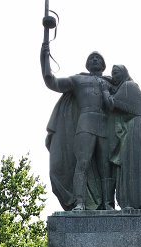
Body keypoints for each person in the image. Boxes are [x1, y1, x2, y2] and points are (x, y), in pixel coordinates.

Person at [41, 43, 113, 211]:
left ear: (103, 64)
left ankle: (108, 204)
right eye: (91, 58)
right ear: (87, 64)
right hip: (85, 123)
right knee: (82, 163)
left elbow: (128, 94)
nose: (94, 59)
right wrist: (44, 56)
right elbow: (51, 81)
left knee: (106, 167)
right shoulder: (78, 80)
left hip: (105, 126)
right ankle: (79, 202)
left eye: (98, 58)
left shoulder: (111, 82)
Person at [102, 65, 141, 209]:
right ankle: (132, 202)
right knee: (131, 163)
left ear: (124, 74)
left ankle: (133, 202)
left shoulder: (128, 86)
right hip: (136, 126)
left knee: (131, 164)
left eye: (116, 73)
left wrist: (105, 90)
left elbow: (111, 103)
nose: (114, 76)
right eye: (112, 74)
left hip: (135, 127)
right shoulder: (130, 87)